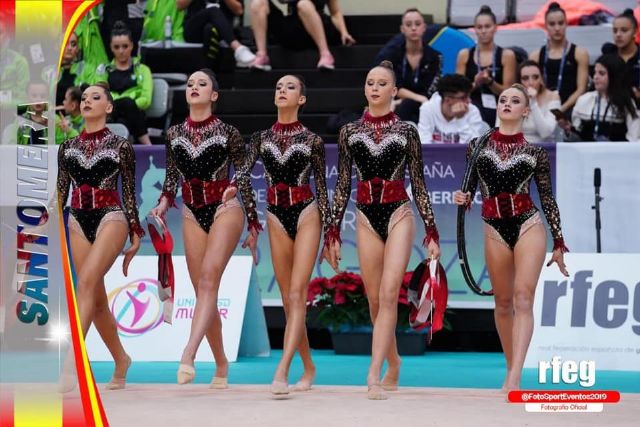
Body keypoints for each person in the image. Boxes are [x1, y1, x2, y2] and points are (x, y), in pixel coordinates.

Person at [323, 61, 441, 400]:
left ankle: (373, 374)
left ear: (394, 92)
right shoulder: (350, 132)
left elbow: (418, 182)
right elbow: (343, 183)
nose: (375, 88)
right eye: (370, 82)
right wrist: (332, 231)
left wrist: (431, 231)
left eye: (382, 83)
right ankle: (393, 361)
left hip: (398, 212)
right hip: (365, 216)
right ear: (365, 89)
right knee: (375, 299)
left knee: (390, 294)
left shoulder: (406, 131)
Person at [453, 83, 569, 393]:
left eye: (515, 100)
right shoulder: (477, 146)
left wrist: (558, 241)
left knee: (522, 298)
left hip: (528, 224)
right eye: (503, 99)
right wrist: (462, 197)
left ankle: (515, 376)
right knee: (503, 303)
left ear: (525, 110)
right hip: (494, 227)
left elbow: (547, 198)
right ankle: (510, 365)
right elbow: (471, 188)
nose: (506, 104)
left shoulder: (534, 153)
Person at [150, 68, 260, 388]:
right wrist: (162, 202)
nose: (194, 87)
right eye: (190, 83)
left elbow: (242, 177)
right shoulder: (173, 134)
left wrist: (252, 223)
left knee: (210, 277)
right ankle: (222, 364)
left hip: (225, 207)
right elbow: (172, 178)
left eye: (202, 84)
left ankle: (188, 354)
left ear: (213, 95)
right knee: (203, 292)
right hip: (191, 210)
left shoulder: (229, 132)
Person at [243, 75, 330, 396]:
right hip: (276, 215)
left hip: (307, 212)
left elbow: (322, 187)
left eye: (290, 87)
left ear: (302, 99)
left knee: (297, 294)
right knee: (288, 300)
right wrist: (252, 222)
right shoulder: (262, 137)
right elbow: (241, 177)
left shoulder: (312, 140)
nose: (282, 90)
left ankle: (282, 368)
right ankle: (308, 367)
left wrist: (331, 232)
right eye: (278, 87)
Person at [57, 82, 144, 390]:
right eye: (84, 98)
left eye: (96, 98)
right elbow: (60, 193)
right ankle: (121, 359)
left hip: (111, 216)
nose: (87, 102)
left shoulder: (121, 145)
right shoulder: (67, 148)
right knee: (94, 299)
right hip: (78, 219)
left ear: (108, 107)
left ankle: (72, 363)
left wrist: (136, 232)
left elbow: (130, 193)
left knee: (88, 283)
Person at [374, 8, 442, 123]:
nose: (414, 28)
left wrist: (402, 101)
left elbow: (429, 92)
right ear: (402, 29)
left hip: (425, 105)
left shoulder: (435, 56)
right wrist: (413, 98)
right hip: (397, 105)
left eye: (418, 24)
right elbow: (394, 87)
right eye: (409, 24)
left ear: (424, 28)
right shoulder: (392, 55)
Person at [250, 0, 355, 71]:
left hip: (318, 27)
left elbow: (335, 12)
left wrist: (344, 32)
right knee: (258, 2)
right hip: (294, 29)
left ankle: (325, 54)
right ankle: (262, 55)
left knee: (303, 4)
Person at [456, 5, 516, 126]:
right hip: (471, 106)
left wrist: (490, 82)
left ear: (495, 28)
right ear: (475, 29)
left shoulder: (507, 55)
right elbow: (458, 91)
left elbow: (509, 92)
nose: (483, 31)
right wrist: (476, 83)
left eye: (487, 26)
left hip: (498, 106)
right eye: (479, 27)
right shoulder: (464, 55)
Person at [95, 21, 153, 145]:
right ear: (111, 47)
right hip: (110, 111)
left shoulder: (143, 70)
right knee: (126, 103)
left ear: (132, 45)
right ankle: (148, 146)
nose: (121, 51)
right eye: (116, 47)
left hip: (133, 114)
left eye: (125, 46)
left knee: (124, 118)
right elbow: (100, 96)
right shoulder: (104, 70)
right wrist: (123, 103)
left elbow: (146, 100)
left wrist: (127, 106)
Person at [562, 54, 640, 142]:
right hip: (586, 154)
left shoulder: (628, 103)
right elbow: (576, 139)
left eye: (601, 73)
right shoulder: (584, 100)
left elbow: (633, 140)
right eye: (594, 72)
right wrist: (568, 130)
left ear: (614, 76)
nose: (595, 77)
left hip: (616, 154)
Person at [529, 2, 589, 115]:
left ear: (566, 24)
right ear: (546, 25)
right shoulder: (536, 55)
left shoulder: (579, 53)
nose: (557, 28)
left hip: (570, 109)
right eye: (552, 24)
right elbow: (532, 87)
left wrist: (561, 109)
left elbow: (581, 89)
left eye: (560, 23)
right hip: (543, 109)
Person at [177, 0, 256, 68]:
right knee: (213, 10)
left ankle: (208, 74)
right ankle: (238, 48)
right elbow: (180, 5)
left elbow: (239, 10)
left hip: (222, 32)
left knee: (210, 29)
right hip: (194, 31)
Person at [3, 81, 78, 145]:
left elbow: (67, 144)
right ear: (27, 97)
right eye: (34, 96)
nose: (38, 99)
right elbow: (12, 147)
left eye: (42, 96)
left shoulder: (55, 120)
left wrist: (69, 131)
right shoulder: (20, 121)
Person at [418, 74, 483, 144]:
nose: (469, 101)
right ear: (448, 99)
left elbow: (473, 148)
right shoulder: (428, 108)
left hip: (461, 155)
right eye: (464, 98)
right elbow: (424, 144)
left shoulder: (473, 111)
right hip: (434, 155)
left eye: (469, 96)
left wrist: (461, 119)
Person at [506, 60, 560, 143]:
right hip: (518, 149)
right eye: (525, 78)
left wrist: (533, 102)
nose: (531, 82)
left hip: (545, 149)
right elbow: (503, 131)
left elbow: (546, 133)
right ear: (519, 82)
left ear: (542, 78)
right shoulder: (511, 98)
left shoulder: (553, 97)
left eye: (535, 77)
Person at [608, 9, 640, 105]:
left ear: (635, 32)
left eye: (624, 30)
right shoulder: (608, 56)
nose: (618, 35)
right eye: (615, 30)